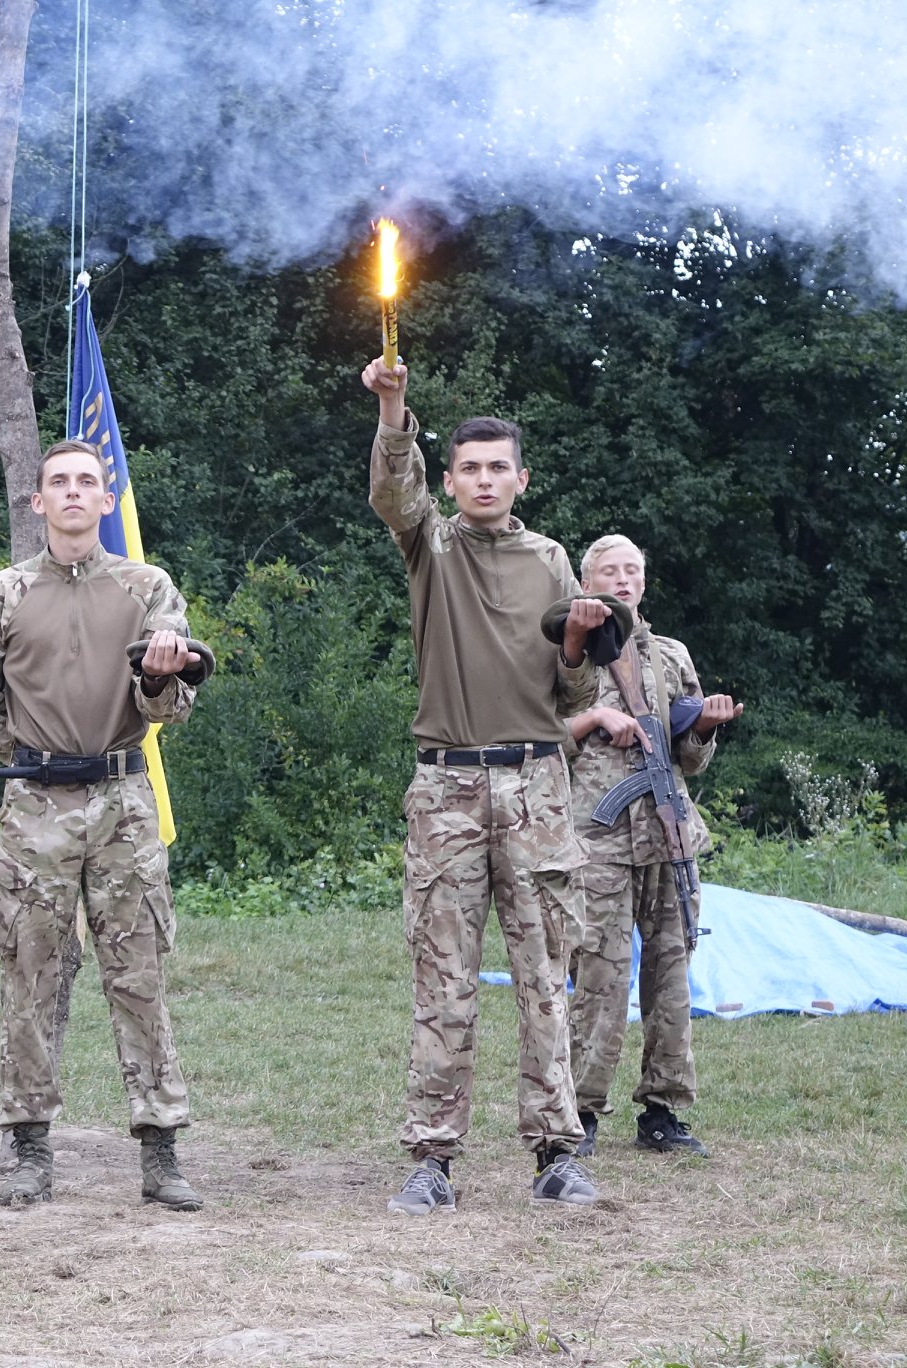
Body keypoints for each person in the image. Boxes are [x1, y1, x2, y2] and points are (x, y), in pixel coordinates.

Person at [363, 355, 610, 1215]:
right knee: (445, 981)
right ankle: (432, 1157)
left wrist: (575, 646)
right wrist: (394, 407)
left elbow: (577, 692)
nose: (483, 480)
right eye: (467, 467)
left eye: (497, 467)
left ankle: (557, 1151)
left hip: (537, 788)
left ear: (521, 479)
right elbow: (393, 494)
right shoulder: (430, 544)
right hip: (448, 794)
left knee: (545, 976)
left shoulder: (552, 560)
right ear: (450, 480)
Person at [0, 438, 206, 1211]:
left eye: (86, 482)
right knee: (31, 971)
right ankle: (29, 1148)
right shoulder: (4, 591)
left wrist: (158, 680)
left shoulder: (146, 587)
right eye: (58, 482)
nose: (72, 493)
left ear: (106, 499)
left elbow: (174, 704)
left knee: (138, 974)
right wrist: (34, 757)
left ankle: (161, 1151)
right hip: (36, 807)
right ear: (38, 501)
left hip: (123, 800)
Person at [563, 534, 741, 1159]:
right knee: (599, 975)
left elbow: (687, 759)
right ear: (586, 582)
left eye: (632, 570)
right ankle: (579, 1112)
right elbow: (537, 734)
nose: (622, 579)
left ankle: (663, 1110)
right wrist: (594, 719)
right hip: (598, 839)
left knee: (671, 976)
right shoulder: (569, 653)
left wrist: (705, 728)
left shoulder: (670, 655)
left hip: (668, 832)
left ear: (644, 581)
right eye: (609, 571)